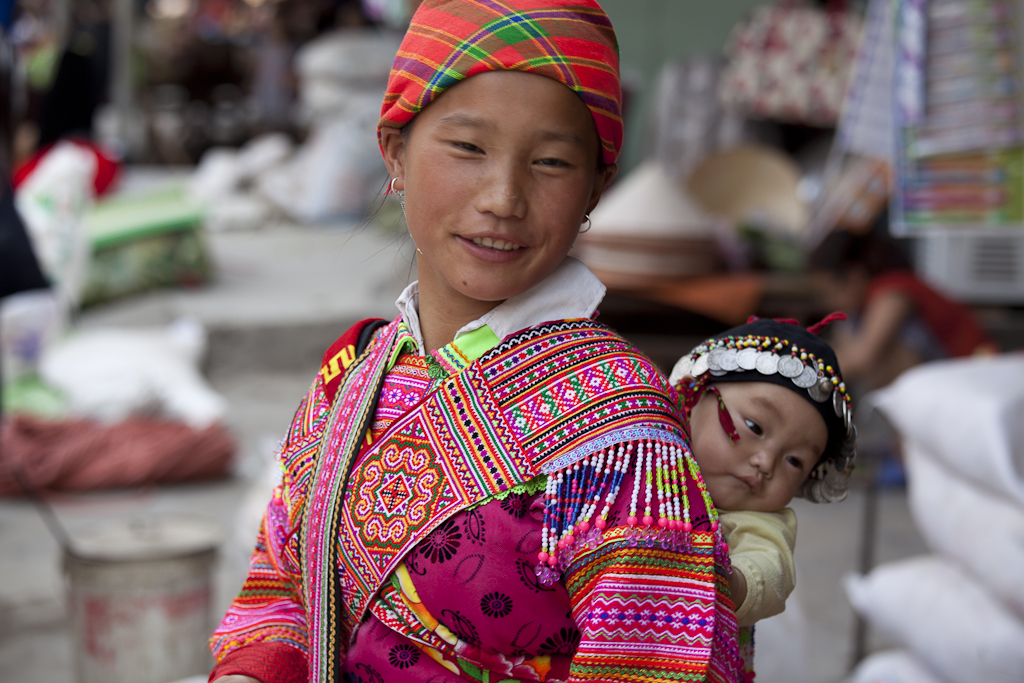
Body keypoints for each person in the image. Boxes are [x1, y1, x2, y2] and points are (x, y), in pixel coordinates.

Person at [209, 3, 746, 683]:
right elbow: (284, 583)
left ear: (595, 190)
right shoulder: (353, 378)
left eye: (551, 162)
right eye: (468, 148)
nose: (503, 197)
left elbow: (651, 664)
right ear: (394, 152)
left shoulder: (625, 438)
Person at [669, 316, 857, 628]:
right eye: (755, 427)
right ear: (693, 395)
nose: (766, 462)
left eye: (794, 461)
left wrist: (730, 582)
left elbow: (770, 569)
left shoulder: (758, 522)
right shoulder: (641, 449)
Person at [810, 223, 997, 391]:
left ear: (854, 277)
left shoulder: (892, 292)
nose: (828, 302)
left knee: (877, 356)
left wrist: (804, 375)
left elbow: (863, 357)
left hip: (973, 377)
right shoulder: (859, 310)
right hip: (948, 379)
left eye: (829, 292)